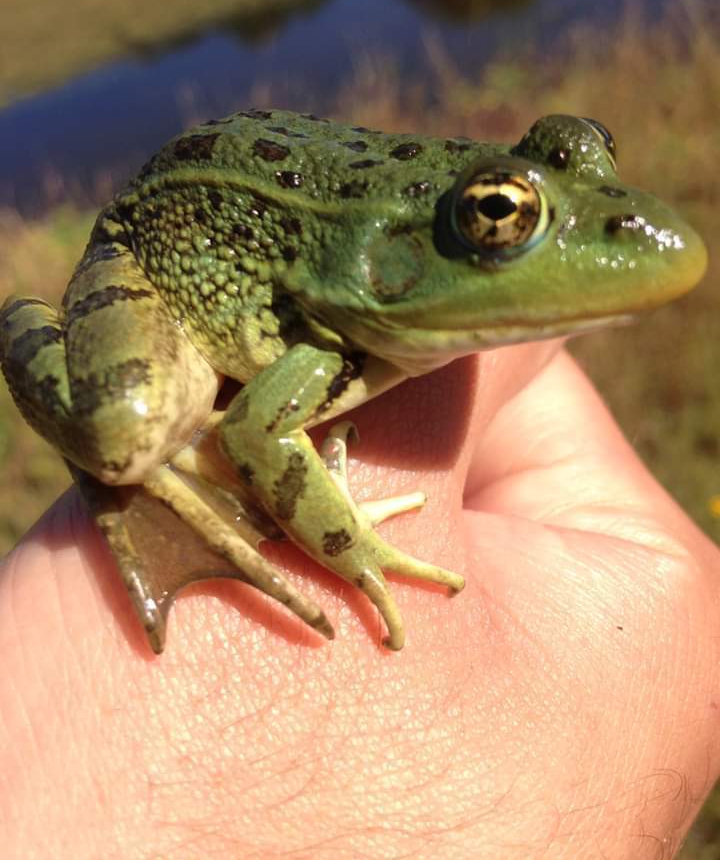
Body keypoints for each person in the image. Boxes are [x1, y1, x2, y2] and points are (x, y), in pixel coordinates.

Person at [1, 343, 718, 857]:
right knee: (123, 435)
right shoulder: (319, 350)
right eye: (499, 216)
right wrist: (354, 545)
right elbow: (256, 430)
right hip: (161, 270)